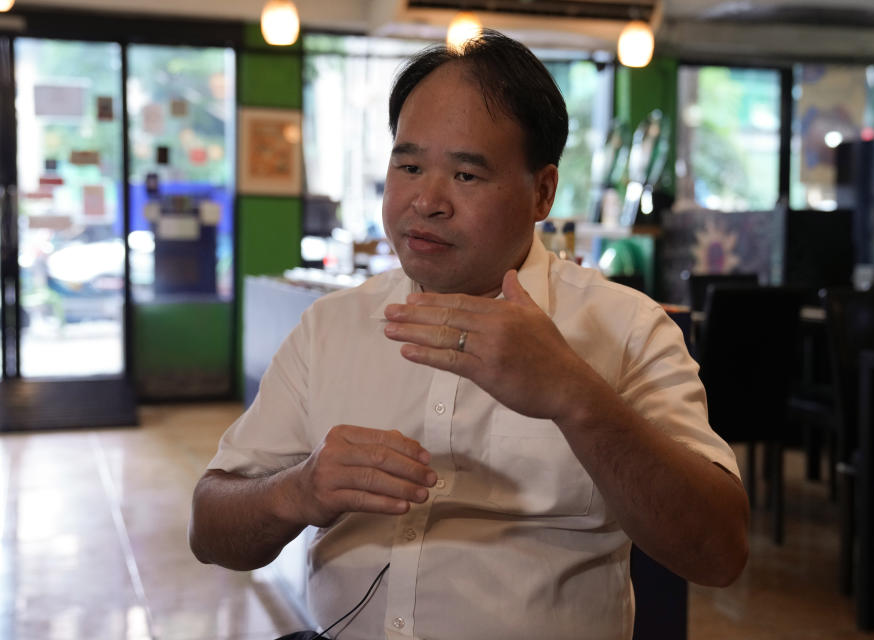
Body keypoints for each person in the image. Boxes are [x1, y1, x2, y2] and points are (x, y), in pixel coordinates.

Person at [190, 30, 749, 640]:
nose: (426, 200)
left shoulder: (627, 328)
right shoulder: (332, 325)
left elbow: (718, 553)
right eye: (408, 166)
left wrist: (575, 396)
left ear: (543, 192)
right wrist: (296, 490)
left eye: (466, 175)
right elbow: (210, 529)